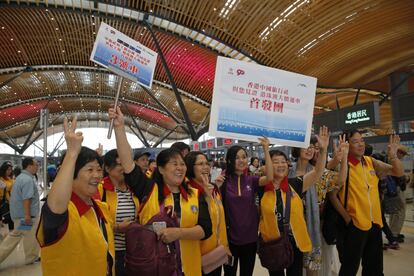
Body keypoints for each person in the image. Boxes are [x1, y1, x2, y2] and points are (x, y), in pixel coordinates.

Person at [109, 106, 212, 276]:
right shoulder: (149, 190)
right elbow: (128, 163)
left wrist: (177, 233)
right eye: (174, 164)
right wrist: (120, 128)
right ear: (162, 169)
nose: (180, 168)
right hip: (155, 268)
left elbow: (206, 230)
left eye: (182, 164)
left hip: (190, 268)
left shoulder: (195, 194)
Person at [36, 117, 115, 275]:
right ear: (72, 173)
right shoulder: (63, 210)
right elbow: (56, 207)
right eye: (89, 169)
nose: (97, 175)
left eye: (99, 169)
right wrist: (72, 154)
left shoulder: (100, 207)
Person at [329, 130, 404, 276]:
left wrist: (393, 155)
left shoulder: (370, 162)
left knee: (374, 268)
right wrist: (347, 218)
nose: (360, 144)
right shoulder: (342, 165)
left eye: (362, 140)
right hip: (354, 225)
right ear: (347, 145)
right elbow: (332, 195)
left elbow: (398, 172)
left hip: (375, 224)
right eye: (355, 141)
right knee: (349, 268)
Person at [259, 126, 329, 276]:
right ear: (268, 166)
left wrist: (323, 150)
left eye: (283, 161)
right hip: (272, 244)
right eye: (275, 162)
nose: (280, 165)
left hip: (295, 242)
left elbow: (317, 172)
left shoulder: (295, 183)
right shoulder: (261, 188)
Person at [221, 137, 273, 276]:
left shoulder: (252, 180)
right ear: (230, 160)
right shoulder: (224, 182)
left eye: (244, 157)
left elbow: (269, 178)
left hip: (250, 239)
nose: (242, 160)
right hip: (229, 241)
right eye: (237, 157)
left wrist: (266, 150)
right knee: (229, 274)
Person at [96, 149, 140, 276]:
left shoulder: (134, 188)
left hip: (135, 250)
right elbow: (93, 222)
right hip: (112, 252)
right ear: (108, 169)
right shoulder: (100, 189)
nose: (125, 168)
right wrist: (116, 228)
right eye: (120, 164)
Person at [185, 151, 230, 276]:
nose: (205, 167)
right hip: (197, 257)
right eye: (200, 164)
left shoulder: (213, 189)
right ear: (190, 167)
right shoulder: (188, 192)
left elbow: (220, 221)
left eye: (206, 163)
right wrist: (205, 195)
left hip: (215, 254)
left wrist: (224, 245)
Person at [0, 157, 40, 265]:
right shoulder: (27, 180)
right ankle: (31, 258)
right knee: (26, 236)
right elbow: (26, 198)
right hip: (26, 216)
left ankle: (32, 257)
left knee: (19, 235)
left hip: (20, 215)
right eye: (36, 164)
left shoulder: (21, 177)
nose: (37, 167)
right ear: (29, 166)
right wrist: (27, 215)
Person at [388, 145, 408, 243]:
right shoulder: (395, 161)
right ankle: (394, 234)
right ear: (399, 152)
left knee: (395, 211)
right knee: (399, 212)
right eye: (402, 154)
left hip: (392, 190)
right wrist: (406, 178)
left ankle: (393, 232)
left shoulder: (390, 160)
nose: (403, 156)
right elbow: (399, 177)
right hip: (397, 189)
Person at [0, 161, 14, 230]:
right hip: (5, 203)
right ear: (3, 170)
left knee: (11, 220)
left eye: (11, 169)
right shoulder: (1, 179)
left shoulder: (10, 178)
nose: (10, 171)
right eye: (8, 169)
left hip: (12, 202)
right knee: (8, 219)